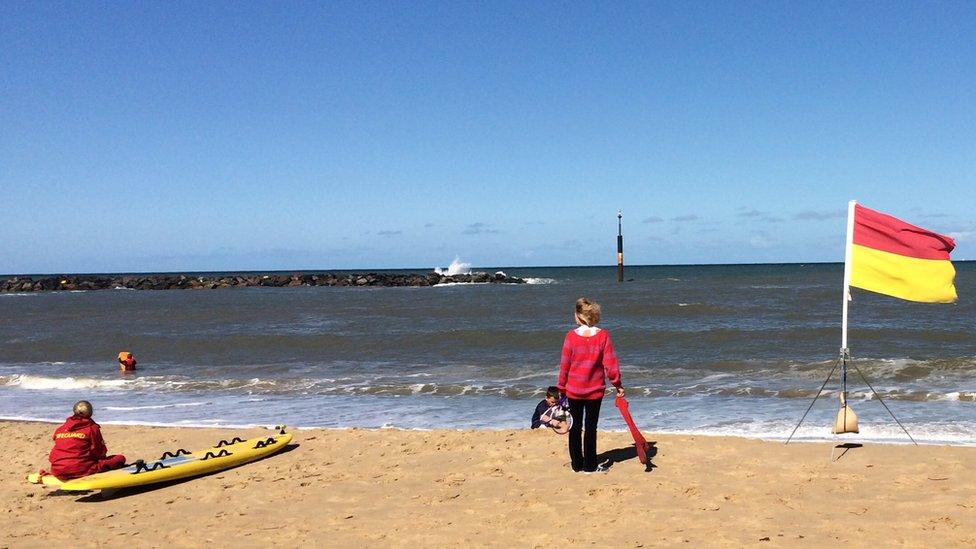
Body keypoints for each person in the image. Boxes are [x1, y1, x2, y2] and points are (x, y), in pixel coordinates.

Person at [557, 297, 624, 473]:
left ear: (579, 316)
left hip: (573, 389)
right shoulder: (603, 336)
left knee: (575, 426)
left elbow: (565, 365)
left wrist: (561, 387)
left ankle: (577, 464)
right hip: (595, 390)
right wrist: (617, 384)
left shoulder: (571, 337)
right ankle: (590, 465)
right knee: (590, 427)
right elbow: (610, 364)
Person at [48, 400, 127, 480]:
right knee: (120, 458)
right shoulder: (92, 428)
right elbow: (99, 452)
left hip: (57, 469)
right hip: (81, 468)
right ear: (91, 413)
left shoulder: (61, 428)